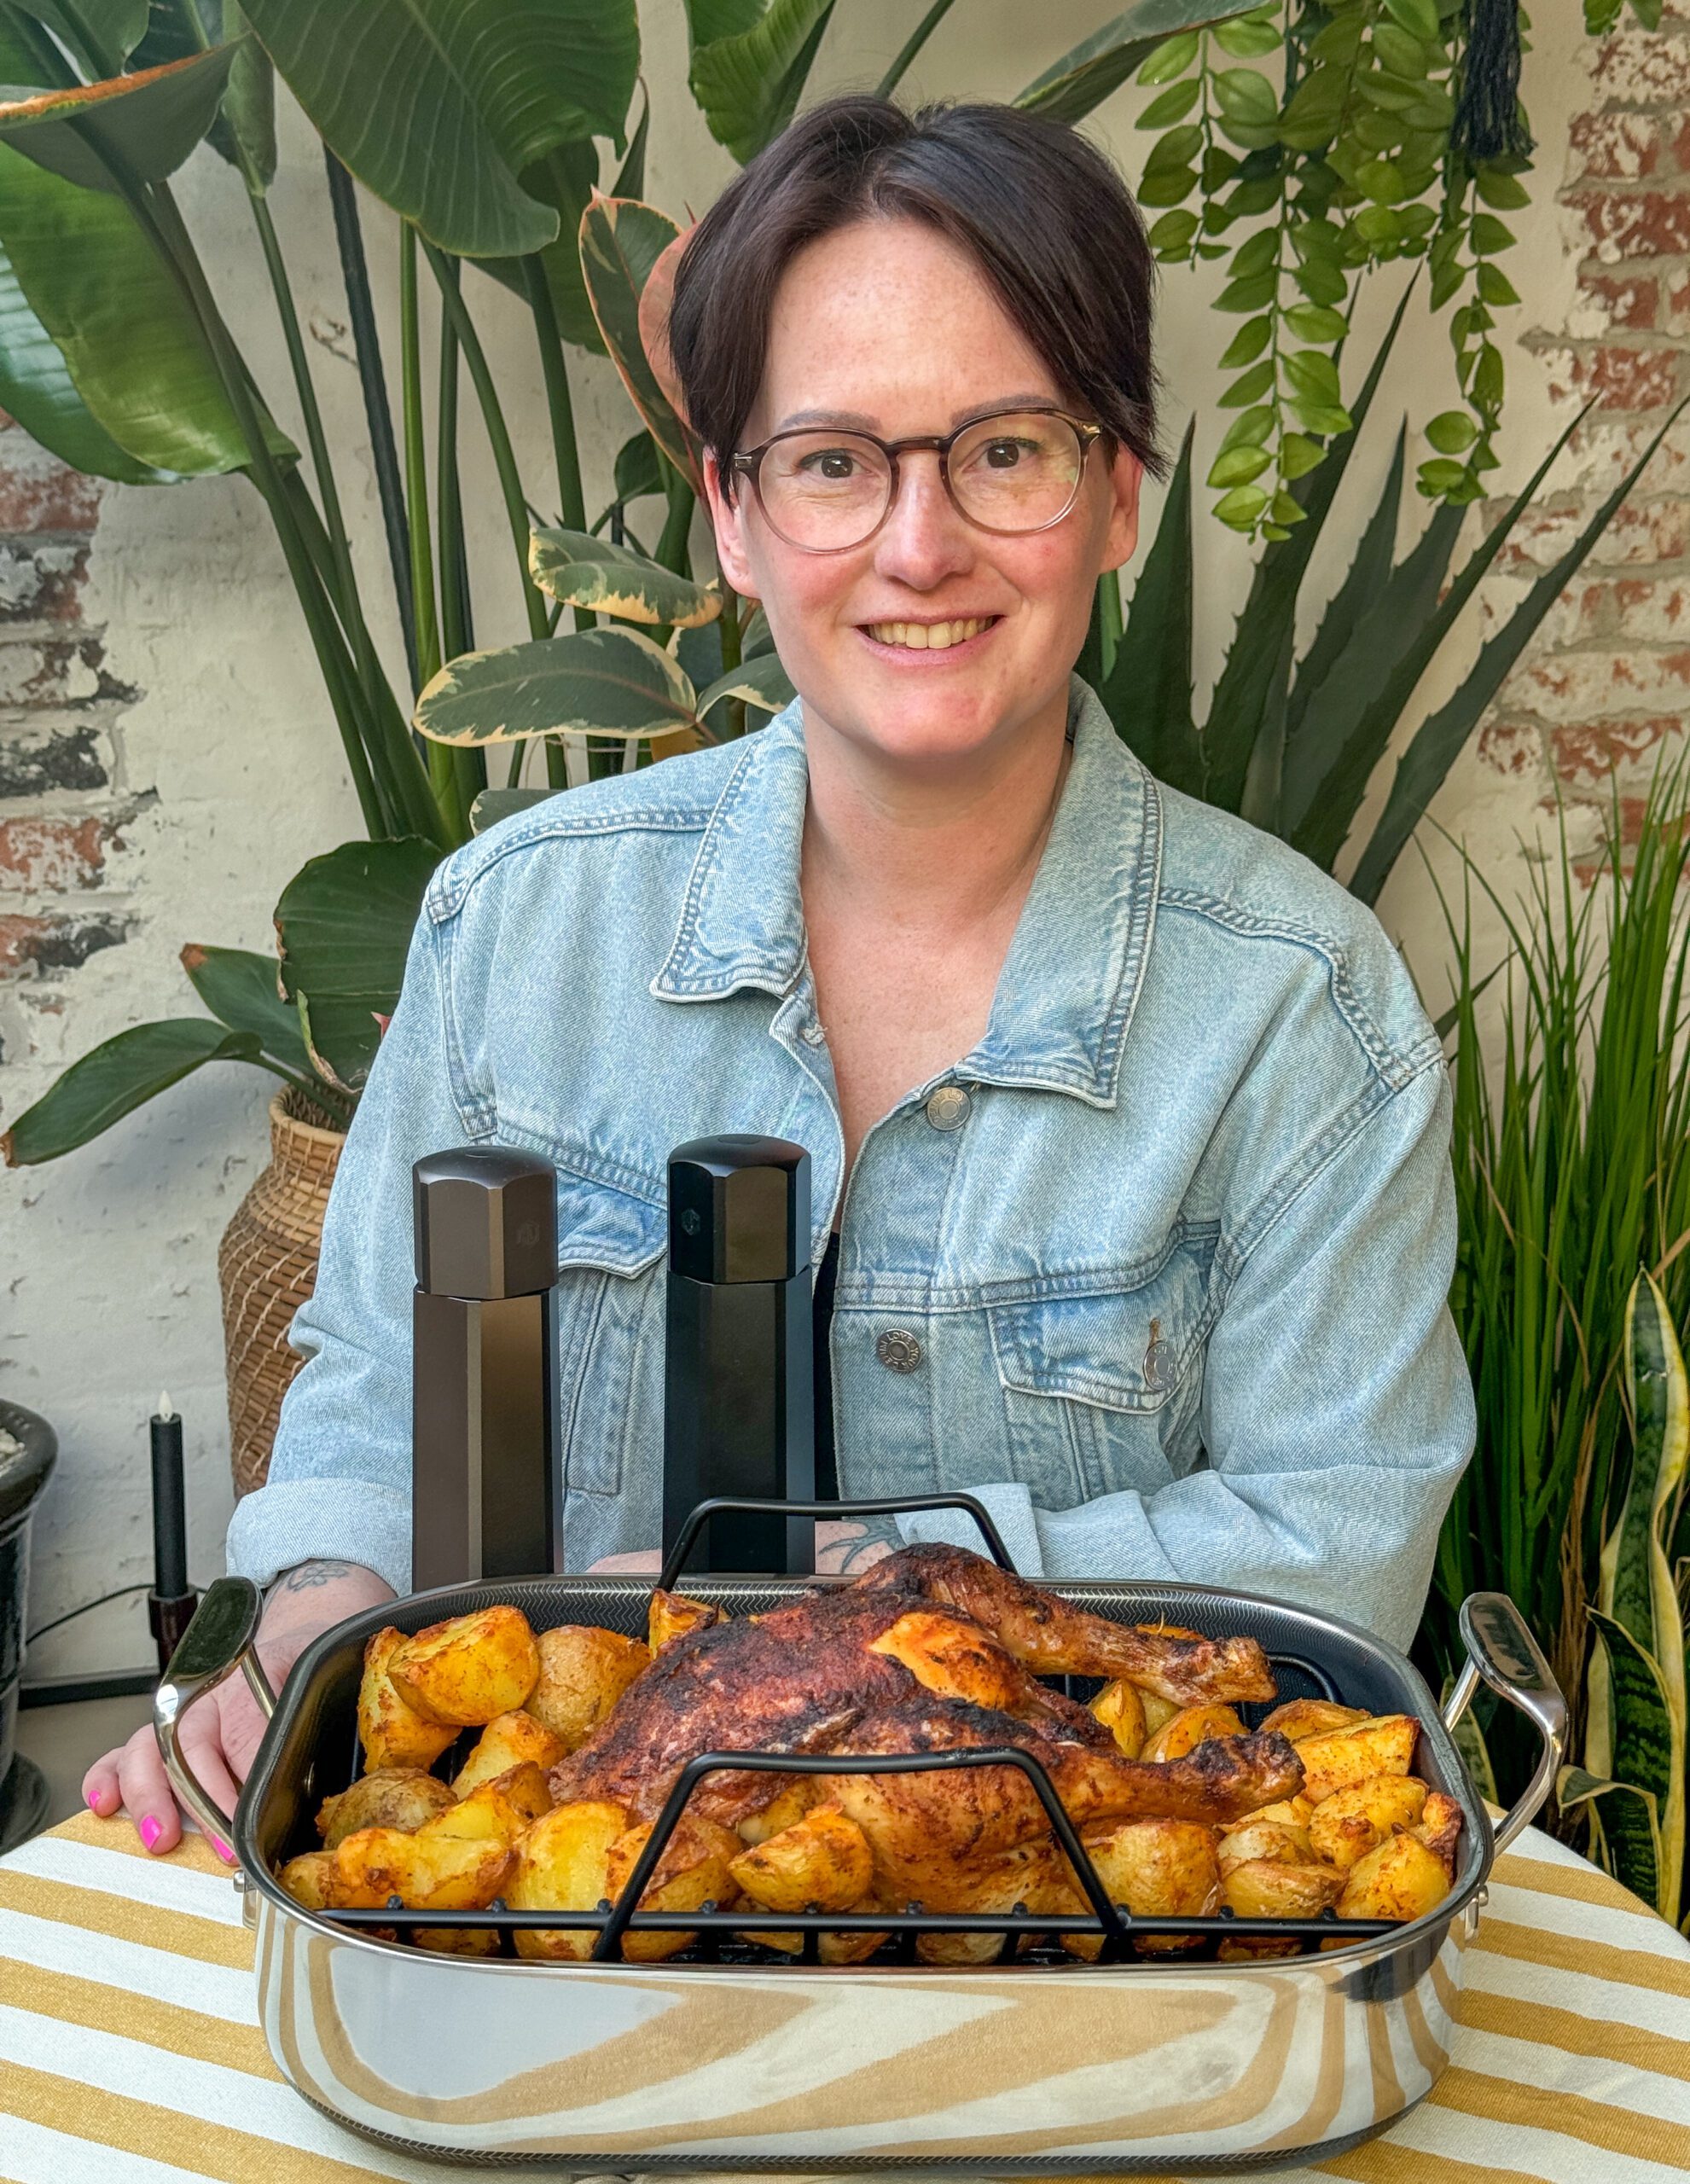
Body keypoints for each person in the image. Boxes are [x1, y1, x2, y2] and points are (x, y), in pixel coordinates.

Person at [86, 93, 1474, 1852]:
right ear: (732, 521)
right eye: (831, 461)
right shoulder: (518, 930)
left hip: (1075, 1933)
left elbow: (1339, 1543)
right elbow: (370, 1403)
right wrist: (299, 1630)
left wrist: (859, 1582)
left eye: (1006, 449)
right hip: (555, 1937)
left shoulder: (1296, 1011)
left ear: (1118, 490)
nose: (917, 544)